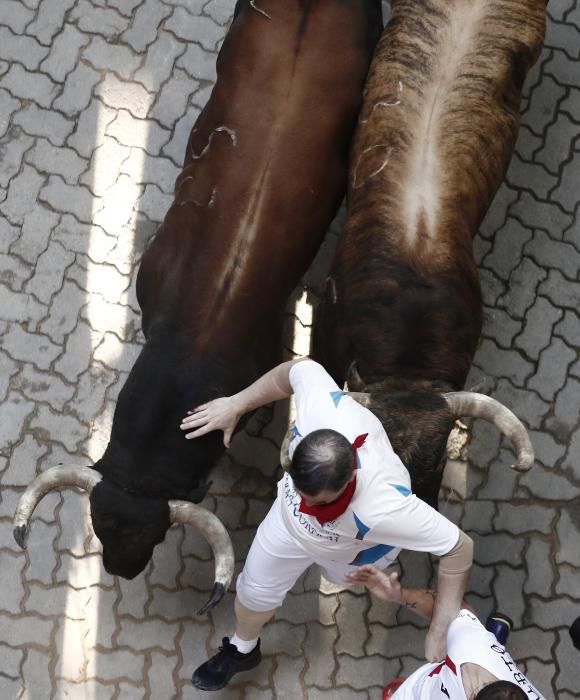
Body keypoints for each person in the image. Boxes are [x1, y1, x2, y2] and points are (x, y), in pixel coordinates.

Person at [180, 358, 474, 691]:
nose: (306, 506)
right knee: (252, 592)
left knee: (337, 577)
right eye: (300, 490)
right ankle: (242, 648)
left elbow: (459, 547)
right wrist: (236, 404)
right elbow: (294, 371)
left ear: (350, 478)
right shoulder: (322, 409)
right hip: (285, 527)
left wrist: (440, 624)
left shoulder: (386, 507)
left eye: (317, 502)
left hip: (351, 558)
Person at [346, 564, 546, 700]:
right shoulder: (472, 649)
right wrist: (398, 595)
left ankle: (496, 637)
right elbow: (452, 608)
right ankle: (494, 639)